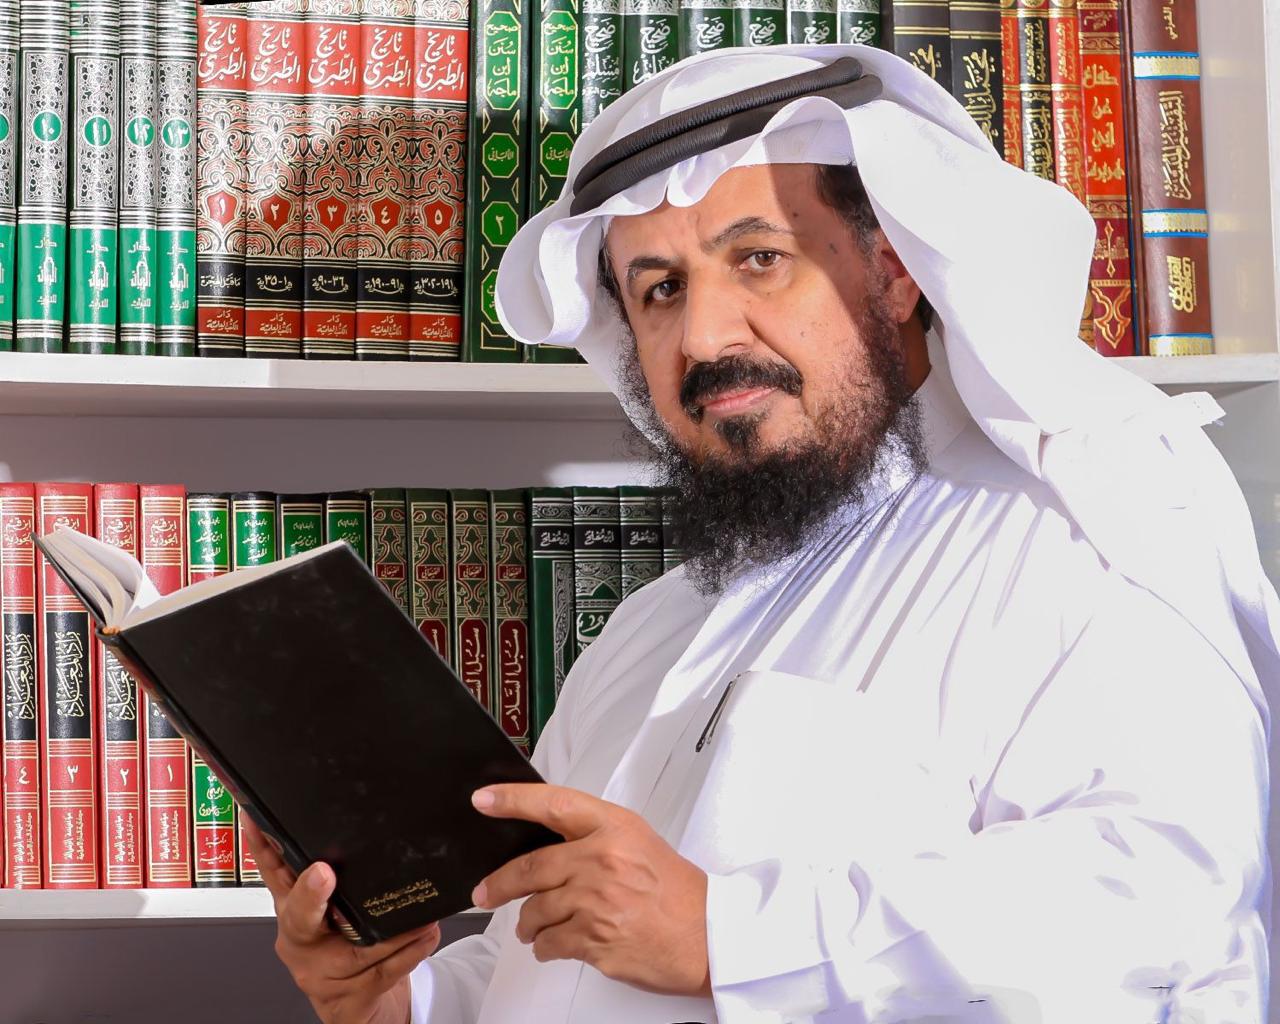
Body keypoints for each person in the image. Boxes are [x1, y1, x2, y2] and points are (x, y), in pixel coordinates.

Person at [247, 45, 1277, 1023]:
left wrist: (723, 934)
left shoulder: (1082, 525)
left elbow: (1164, 896)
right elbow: (555, 959)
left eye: (759, 259)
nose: (703, 336)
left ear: (894, 269)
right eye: (660, 289)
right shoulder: (649, 630)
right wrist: (400, 1000)